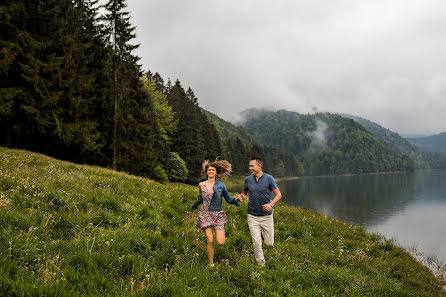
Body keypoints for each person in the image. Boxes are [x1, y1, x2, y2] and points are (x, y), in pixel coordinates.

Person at [192, 160, 240, 266]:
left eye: (213, 170)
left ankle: (220, 237)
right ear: (206, 172)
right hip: (205, 214)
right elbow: (200, 199)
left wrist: (236, 200)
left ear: (216, 172)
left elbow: (228, 199)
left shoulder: (221, 186)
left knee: (220, 242)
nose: (211, 171)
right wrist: (194, 206)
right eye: (209, 170)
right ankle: (211, 263)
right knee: (210, 239)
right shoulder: (201, 184)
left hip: (218, 215)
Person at [237, 157, 282, 266]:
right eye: (249, 166)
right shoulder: (248, 179)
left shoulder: (269, 178)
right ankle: (261, 266)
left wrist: (271, 204)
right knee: (257, 243)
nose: (250, 168)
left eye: (252, 166)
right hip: (252, 216)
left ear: (259, 166)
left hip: (266, 216)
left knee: (269, 243)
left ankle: (262, 234)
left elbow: (278, 195)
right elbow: (244, 194)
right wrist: (241, 198)